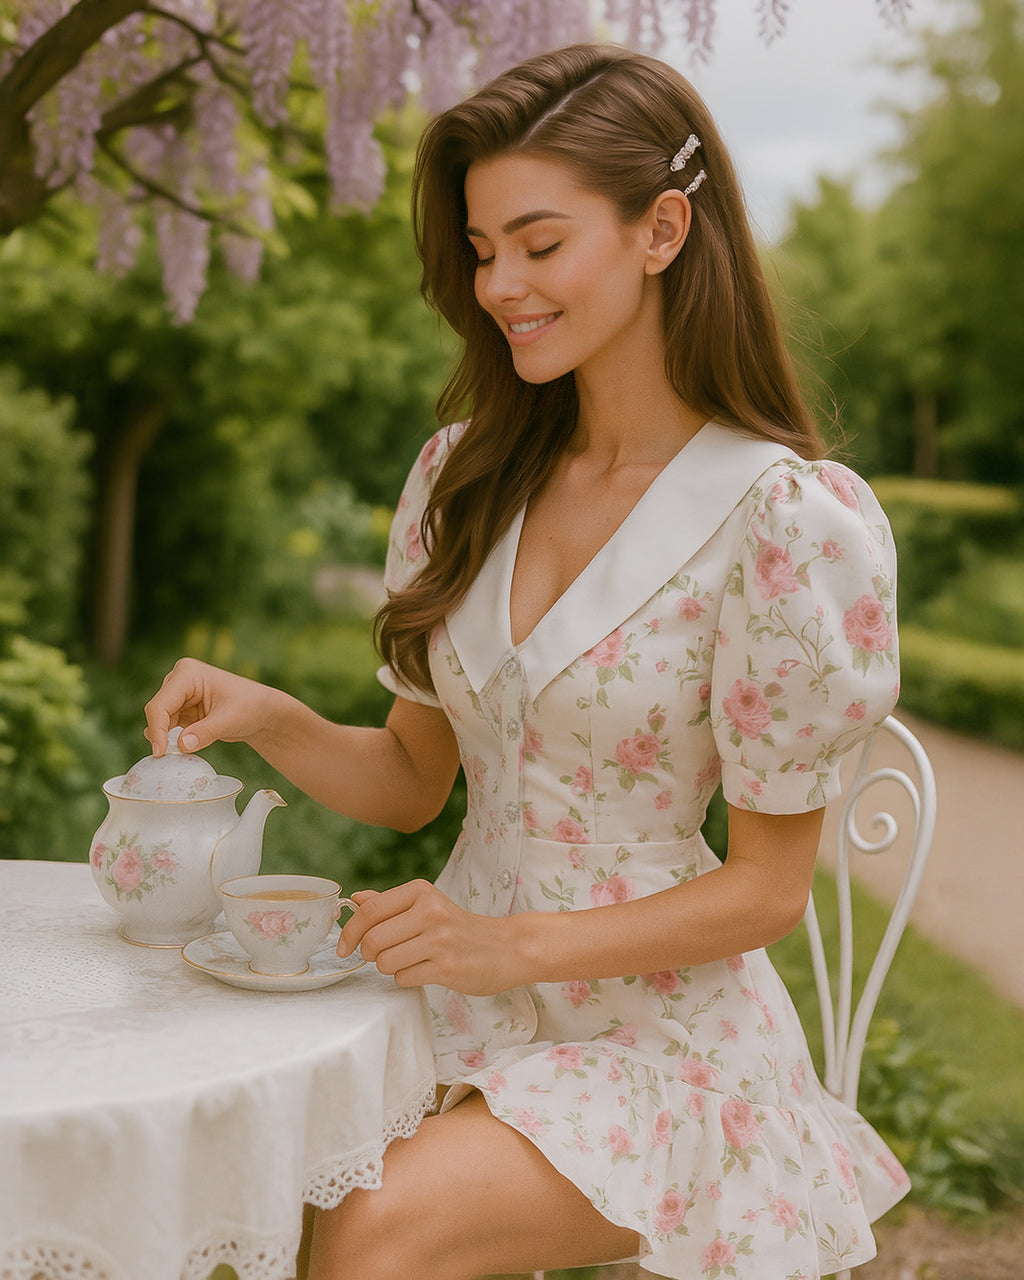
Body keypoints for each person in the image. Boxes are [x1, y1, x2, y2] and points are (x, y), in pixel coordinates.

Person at [144, 42, 909, 1280]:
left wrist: (515, 944)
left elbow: (768, 891)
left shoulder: (783, 517)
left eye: (538, 245)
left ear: (662, 228)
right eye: (484, 248)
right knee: (221, 1164)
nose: (500, 284)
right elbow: (411, 781)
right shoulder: (465, 473)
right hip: (444, 998)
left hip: (659, 1048)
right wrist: (266, 716)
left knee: (367, 1231)